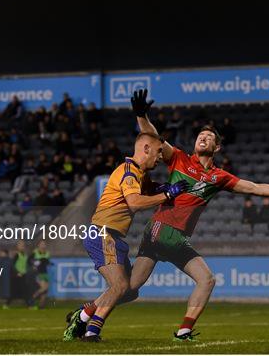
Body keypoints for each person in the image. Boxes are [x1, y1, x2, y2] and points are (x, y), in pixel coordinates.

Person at [68, 89, 269, 342]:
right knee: (206, 279)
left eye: (209, 137)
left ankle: (85, 313)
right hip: (163, 229)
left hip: (160, 234)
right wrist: (141, 114)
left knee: (129, 289)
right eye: (201, 135)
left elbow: (255, 188)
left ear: (217, 147)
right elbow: (152, 139)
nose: (203, 137)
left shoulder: (219, 177)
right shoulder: (179, 159)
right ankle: (183, 331)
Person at [63, 131, 189, 342]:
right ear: (145, 149)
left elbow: (148, 189)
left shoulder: (139, 174)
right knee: (120, 286)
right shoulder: (128, 173)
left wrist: (163, 187)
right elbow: (135, 203)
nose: (160, 157)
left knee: (130, 291)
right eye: (158, 152)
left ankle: (83, 314)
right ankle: (91, 332)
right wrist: (167, 194)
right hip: (102, 233)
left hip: (113, 237)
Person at [3, 241, 31, 308]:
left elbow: (26, 264)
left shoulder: (25, 255)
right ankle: (29, 305)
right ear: (17, 247)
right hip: (17, 276)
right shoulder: (16, 255)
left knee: (23, 291)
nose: (22, 247)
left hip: (23, 274)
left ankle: (6, 304)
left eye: (23, 245)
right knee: (19, 291)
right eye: (20, 245)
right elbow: (12, 265)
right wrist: (17, 273)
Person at [29, 240, 52, 309]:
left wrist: (49, 263)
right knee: (43, 288)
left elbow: (46, 262)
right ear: (38, 245)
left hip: (45, 273)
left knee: (46, 290)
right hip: (38, 273)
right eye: (41, 244)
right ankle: (31, 299)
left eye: (44, 244)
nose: (43, 245)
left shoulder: (47, 253)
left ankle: (41, 305)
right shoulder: (35, 252)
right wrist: (33, 265)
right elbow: (29, 260)